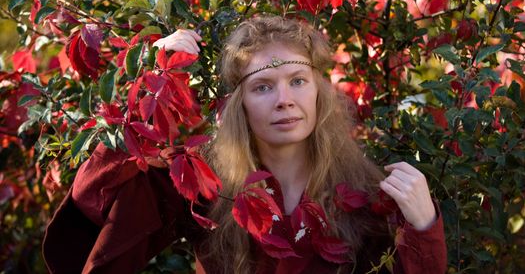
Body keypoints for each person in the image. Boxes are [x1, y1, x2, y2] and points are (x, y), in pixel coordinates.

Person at [43, 16, 446, 273]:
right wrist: (153, 90)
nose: (284, 99)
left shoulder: (362, 192)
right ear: (239, 105)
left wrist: (424, 225)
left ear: (318, 92)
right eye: (263, 87)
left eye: (298, 81)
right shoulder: (203, 186)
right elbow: (91, 205)